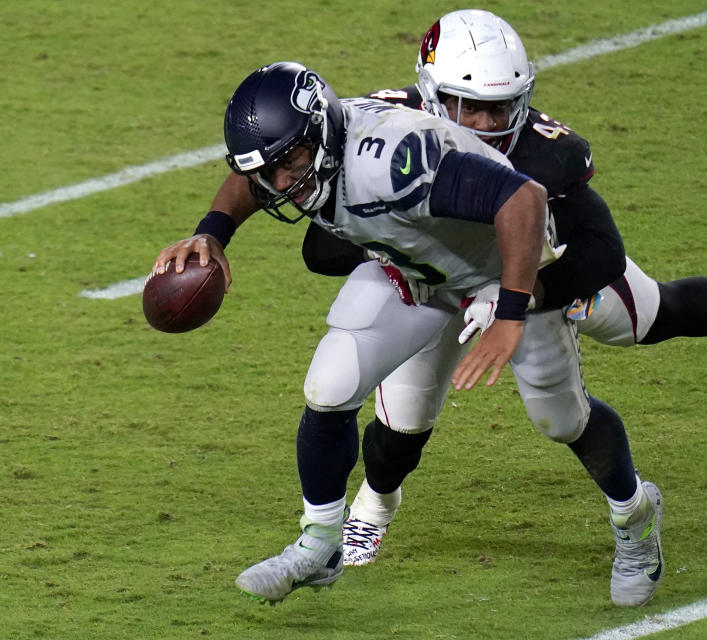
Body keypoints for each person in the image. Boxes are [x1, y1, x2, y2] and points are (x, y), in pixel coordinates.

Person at [319, 9, 707, 581]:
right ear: (432, 94)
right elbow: (323, 244)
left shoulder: (544, 154)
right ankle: (375, 506)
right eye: (471, 106)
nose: (487, 121)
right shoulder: (382, 130)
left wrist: (528, 295)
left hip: (537, 272)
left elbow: (601, 251)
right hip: (431, 286)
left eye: (502, 105)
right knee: (404, 417)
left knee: (646, 319)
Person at [152, 60, 664, 607]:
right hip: (417, 269)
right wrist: (212, 233)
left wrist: (513, 308)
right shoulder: (304, 149)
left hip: (504, 270)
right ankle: (320, 543)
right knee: (330, 384)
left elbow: (524, 200)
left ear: (321, 136)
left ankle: (636, 515)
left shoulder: (392, 161)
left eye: (292, 163)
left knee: (560, 418)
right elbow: (258, 173)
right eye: (271, 170)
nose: (282, 185)